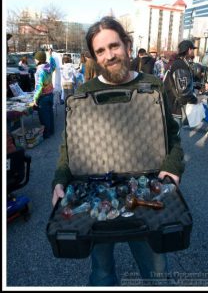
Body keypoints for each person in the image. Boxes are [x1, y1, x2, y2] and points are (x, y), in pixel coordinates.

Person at [52, 16, 185, 286]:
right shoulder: (86, 92)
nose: (109, 56)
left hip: (147, 187)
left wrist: (172, 165)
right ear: (94, 56)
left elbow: (172, 135)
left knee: (157, 271)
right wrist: (60, 180)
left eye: (114, 46)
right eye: (100, 51)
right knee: (101, 271)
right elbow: (70, 145)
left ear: (127, 44)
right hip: (95, 191)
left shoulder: (152, 86)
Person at [163, 40, 198, 129]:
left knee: (171, 133)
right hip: (174, 106)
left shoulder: (179, 62)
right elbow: (183, 90)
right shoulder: (180, 64)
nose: (193, 51)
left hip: (171, 103)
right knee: (174, 134)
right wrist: (194, 100)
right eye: (192, 49)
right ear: (189, 49)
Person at [33, 49, 56, 139]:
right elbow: (54, 65)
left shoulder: (40, 70)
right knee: (50, 114)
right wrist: (50, 55)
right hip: (50, 95)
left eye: (35, 58)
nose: (34, 60)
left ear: (38, 60)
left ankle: (46, 134)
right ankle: (51, 131)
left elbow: (39, 86)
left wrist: (35, 98)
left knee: (44, 117)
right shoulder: (48, 67)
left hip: (43, 97)